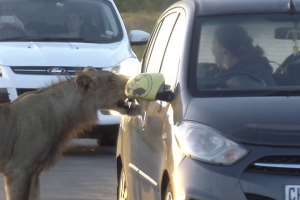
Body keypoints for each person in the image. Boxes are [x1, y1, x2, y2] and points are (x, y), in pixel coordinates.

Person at [200, 24, 276, 87]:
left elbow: (271, 95)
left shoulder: (258, 71)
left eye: (214, 43)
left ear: (223, 47)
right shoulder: (211, 73)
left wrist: (244, 84)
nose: (212, 48)